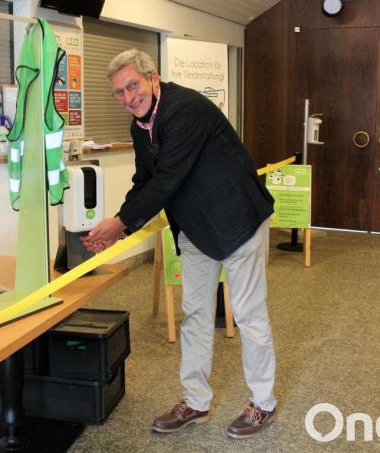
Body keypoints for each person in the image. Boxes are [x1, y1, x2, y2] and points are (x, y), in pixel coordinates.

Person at [81, 49, 278, 439]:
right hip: (194, 228)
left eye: (132, 86)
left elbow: (167, 179)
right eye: (119, 92)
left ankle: (263, 403)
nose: (127, 97)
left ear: (153, 78)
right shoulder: (139, 126)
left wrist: (119, 224)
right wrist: (119, 224)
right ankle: (195, 401)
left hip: (238, 219)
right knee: (195, 314)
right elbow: (145, 179)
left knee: (249, 315)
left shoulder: (186, 108)